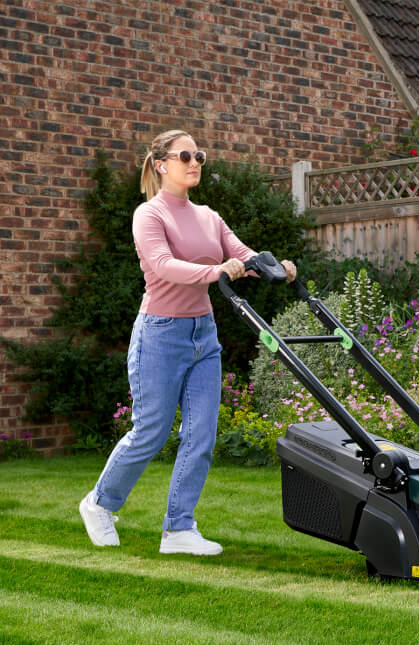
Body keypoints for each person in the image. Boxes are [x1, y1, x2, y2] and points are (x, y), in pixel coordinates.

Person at [79, 129, 296, 555]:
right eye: (185, 155)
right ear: (161, 165)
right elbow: (163, 266)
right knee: (151, 431)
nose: (194, 161)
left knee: (202, 434)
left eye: (198, 155)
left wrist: (274, 267)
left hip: (203, 334)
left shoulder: (209, 217)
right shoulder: (150, 215)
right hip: (160, 333)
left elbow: (242, 255)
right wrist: (217, 272)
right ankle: (100, 503)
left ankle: (178, 529)